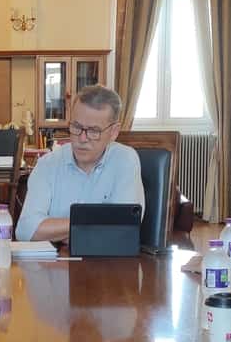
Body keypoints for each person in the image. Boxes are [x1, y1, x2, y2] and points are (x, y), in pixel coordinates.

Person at [15, 85, 145, 242]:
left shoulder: (125, 161)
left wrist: (57, 231)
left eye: (94, 131)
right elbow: (26, 231)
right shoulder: (47, 164)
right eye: (76, 127)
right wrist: (96, 222)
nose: (82, 139)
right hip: (55, 258)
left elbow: (124, 229)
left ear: (114, 132)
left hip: (106, 258)